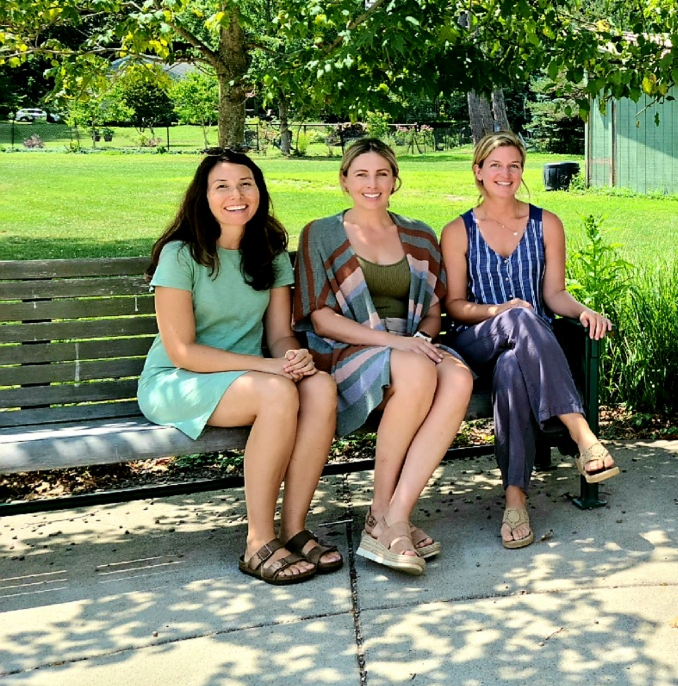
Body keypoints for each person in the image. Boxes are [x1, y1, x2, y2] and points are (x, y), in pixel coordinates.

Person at [138, 150, 340, 585]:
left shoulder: (269, 252)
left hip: (252, 378)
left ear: (259, 191)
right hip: (178, 382)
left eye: (246, 184)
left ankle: (294, 528)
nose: (237, 194)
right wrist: (270, 370)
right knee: (277, 391)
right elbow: (184, 352)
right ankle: (257, 542)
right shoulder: (181, 255)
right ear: (204, 197)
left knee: (320, 386)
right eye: (222, 186)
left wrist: (292, 357)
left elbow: (279, 335)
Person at [293, 138, 473, 576]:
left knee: (460, 378)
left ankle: (396, 515)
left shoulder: (417, 234)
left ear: (394, 180)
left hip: (409, 345)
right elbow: (320, 319)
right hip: (346, 349)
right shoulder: (322, 233)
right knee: (415, 368)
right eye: (361, 174)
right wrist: (398, 344)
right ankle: (381, 515)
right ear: (344, 181)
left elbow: (432, 309)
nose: (372, 184)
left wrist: (422, 338)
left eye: (381, 174)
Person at [440, 131, 617, 550]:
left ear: (523, 171)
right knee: (517, 318)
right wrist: (499, 312)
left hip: (527, 348)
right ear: (478, 171)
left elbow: (553, 295)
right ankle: (582, 434)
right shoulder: (458, 230)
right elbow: (455, 306)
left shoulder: (546, 224)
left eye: (514, 165)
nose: (506, 173)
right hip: (476, 339)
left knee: (511, 369)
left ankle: (515, 501)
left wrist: (583, 310)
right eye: (495, 165)